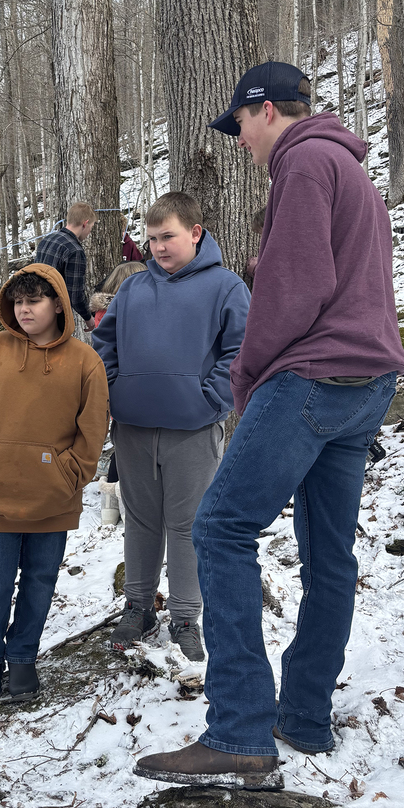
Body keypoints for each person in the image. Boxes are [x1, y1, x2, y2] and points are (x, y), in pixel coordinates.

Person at [134, 61, 404, 790]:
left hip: (313, 376)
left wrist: (247, 377)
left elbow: (293, 289)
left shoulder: (303, 162)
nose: (237, 143)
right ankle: (305, 716)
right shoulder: (347, 168)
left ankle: (238, 733)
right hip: (367, 380)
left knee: (219, 529)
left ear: (262, 111)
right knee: (328, 554)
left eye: (238, 127)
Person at [92, 192, 250, 663]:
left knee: (187, 524)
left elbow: (240, 352)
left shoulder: (226, 287)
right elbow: (103, 343)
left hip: (194, 430)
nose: (159, 247)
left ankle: (184, 615)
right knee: (140, 521)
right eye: (152, 238)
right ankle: (138, 607)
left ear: (195, 233)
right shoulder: (135, 289)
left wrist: (208, 400)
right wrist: (117, 390)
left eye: (169, 237)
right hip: (135, 427)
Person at [0, 263, 108, 704]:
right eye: (17, 302)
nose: (23, 310)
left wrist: (68, 476)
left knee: (39, 581)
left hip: (53, 497)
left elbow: (91, 432)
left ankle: (23, 660)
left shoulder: (84, 361)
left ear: (57, 303)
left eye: (33, 301)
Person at [89, 260, 148, 524]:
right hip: (129, 390)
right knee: (130, 447)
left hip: (115, 390)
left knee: (121, 445)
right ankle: (119, 503)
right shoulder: (129, 311)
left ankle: (110, 506)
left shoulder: (103, 313)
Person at [36, 202, 97, 331]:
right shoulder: (74, 251)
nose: (89, 232)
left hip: (36, 306)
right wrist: (89, 318)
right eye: (90, 227)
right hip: (54, 313)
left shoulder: (47, 240)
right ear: (85, 224)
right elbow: (75, 295)